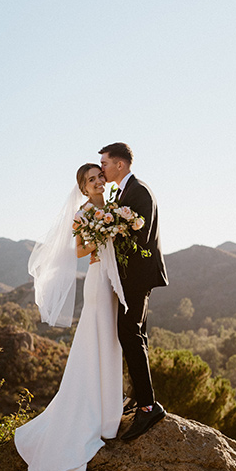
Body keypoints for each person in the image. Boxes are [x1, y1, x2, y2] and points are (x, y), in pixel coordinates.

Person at [14, 164, 126, 471]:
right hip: (96, 277)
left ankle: (110, 408)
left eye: (99, 176)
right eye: (90, 179)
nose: (97, 181)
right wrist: (102, 233)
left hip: (115, 276)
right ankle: (92, 408)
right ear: (83, 186)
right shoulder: (84, 213)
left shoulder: (116, 207)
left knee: (113, 341)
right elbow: (78, 251)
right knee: (97, 337)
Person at [99, 142, 168, 441]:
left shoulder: (139, 191)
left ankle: (148, 407)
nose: (101, 167)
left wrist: (109, 231)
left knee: (130, 334)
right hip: (130, 278)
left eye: (105, 162)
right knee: (134, 336)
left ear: (120, 165)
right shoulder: (125, 192)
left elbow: (141, 235)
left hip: (137, 277)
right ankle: (140, 398)